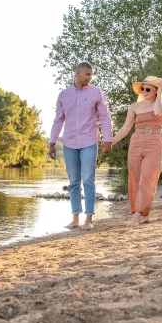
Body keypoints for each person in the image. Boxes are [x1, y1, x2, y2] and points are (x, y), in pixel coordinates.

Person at [49, 62, 113, 230]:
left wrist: (108, 139)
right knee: (74, 182)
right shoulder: (64, 95)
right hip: (69, 143)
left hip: (89, 142)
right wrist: (52, 142)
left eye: (91, 75)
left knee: (89, 179)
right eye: (87, 74)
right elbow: (58, 120)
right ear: (77, 73)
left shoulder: (96, 93)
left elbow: (105, 117)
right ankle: (75, 218)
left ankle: (89, 219)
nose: (89, 77)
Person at [111, 76, 162, 226]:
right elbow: (126, 128)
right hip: (137, 142)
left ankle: (138, 214)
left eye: (148, 89)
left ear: (155, 90)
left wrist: (160, 93)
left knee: (149, 177)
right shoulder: (134, 107)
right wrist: (111, 142)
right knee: (136, 178)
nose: (144, 91)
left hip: (155, 142)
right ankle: (143, 214)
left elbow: (158, 112)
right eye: (142, 89)